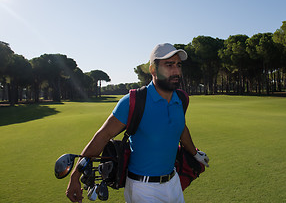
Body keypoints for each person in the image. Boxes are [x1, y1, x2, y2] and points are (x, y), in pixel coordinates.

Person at [66, 43, 209, 203]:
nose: (176, 71)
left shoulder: (181, 99)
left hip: (174, 183)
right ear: (153, 70)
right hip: (143, 189)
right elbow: (102, 136)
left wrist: (195, 154)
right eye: (169, 65)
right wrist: (75, 175)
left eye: (178, 65)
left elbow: (181, 128)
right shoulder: (133, 101)